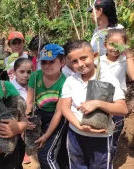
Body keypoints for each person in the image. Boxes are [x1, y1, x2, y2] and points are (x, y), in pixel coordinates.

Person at [61, 40, 128, 169]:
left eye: (84, 58)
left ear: (95, 55)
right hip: (75, 136)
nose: (80, 64)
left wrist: (98, 103)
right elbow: (65, 107)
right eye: (74, 61)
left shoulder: (108, 78)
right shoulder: (70, 80)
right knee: (77, 165)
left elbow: (122, 109)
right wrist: (79, 127)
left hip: (101, 137)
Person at [26, 44, 67, 169]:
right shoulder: (35, 76)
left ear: (62, 62)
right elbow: (29, 102)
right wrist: (26, 118)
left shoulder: (65, 82)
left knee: (46, 154)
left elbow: (58, 113)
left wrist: (46, 135)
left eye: (52, 62)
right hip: (39, 115)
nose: (47, 66)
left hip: (56, 119)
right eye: (44, 62)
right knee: (44, 151)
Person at [97, 29, 134, 158]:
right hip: (100, 102)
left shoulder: (125, 60)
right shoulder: (98, 61)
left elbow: (133, 76)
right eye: (112, 44)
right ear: (105, 44)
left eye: (119, 44)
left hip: (117, 103)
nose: (115, 48)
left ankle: (109, 158)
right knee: (100, 131)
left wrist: (129, 54)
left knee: (115, 132)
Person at [11, 58, 40, 168]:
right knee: (15, 156)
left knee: (22, 151)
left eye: (29, 72)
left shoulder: (34, 86)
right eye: (22, 72)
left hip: (29, 127)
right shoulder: (10, 88)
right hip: (15, 127)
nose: (26, 75)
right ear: (14, 72)